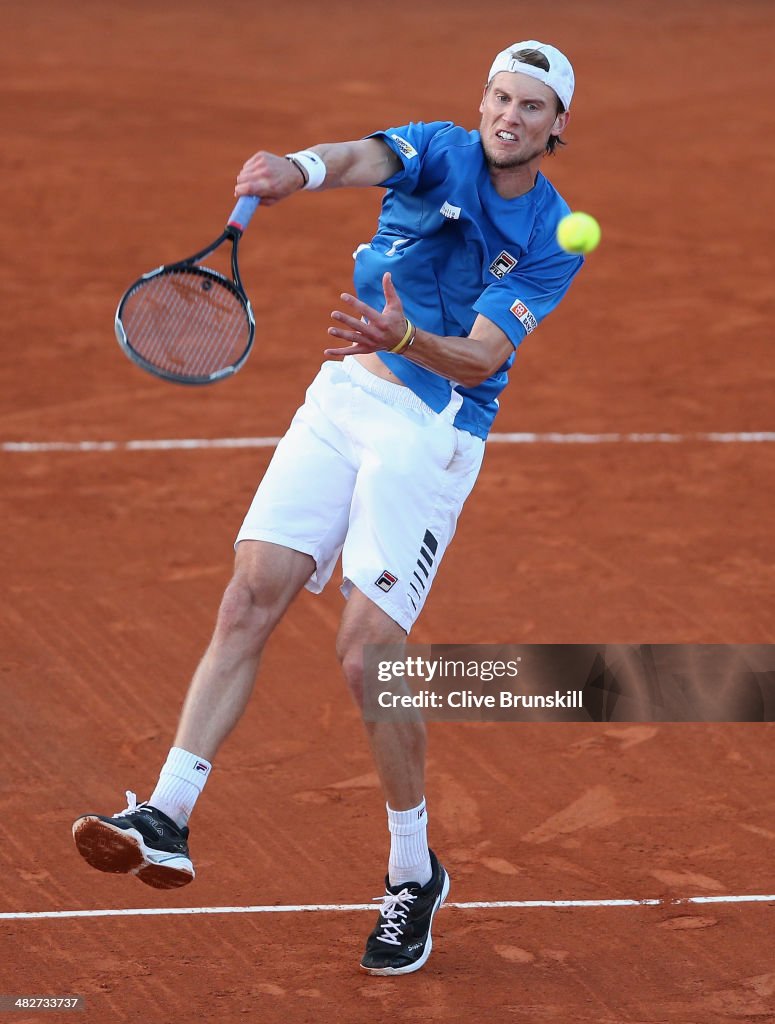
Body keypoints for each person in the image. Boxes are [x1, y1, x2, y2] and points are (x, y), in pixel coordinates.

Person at [72, 39, 584, 976]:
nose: (508, 116)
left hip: (430, 432)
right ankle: (168, 815)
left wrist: (406, 336)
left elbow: (478, 359)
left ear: (556, 127)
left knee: (368, 658)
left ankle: (409, 871)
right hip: (344, 394)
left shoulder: (551, 235)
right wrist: (294, 170)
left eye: (530, 107)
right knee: (247, 597)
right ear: (483, 103)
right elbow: (358, 160)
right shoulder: (437, 146)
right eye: (499, 98)